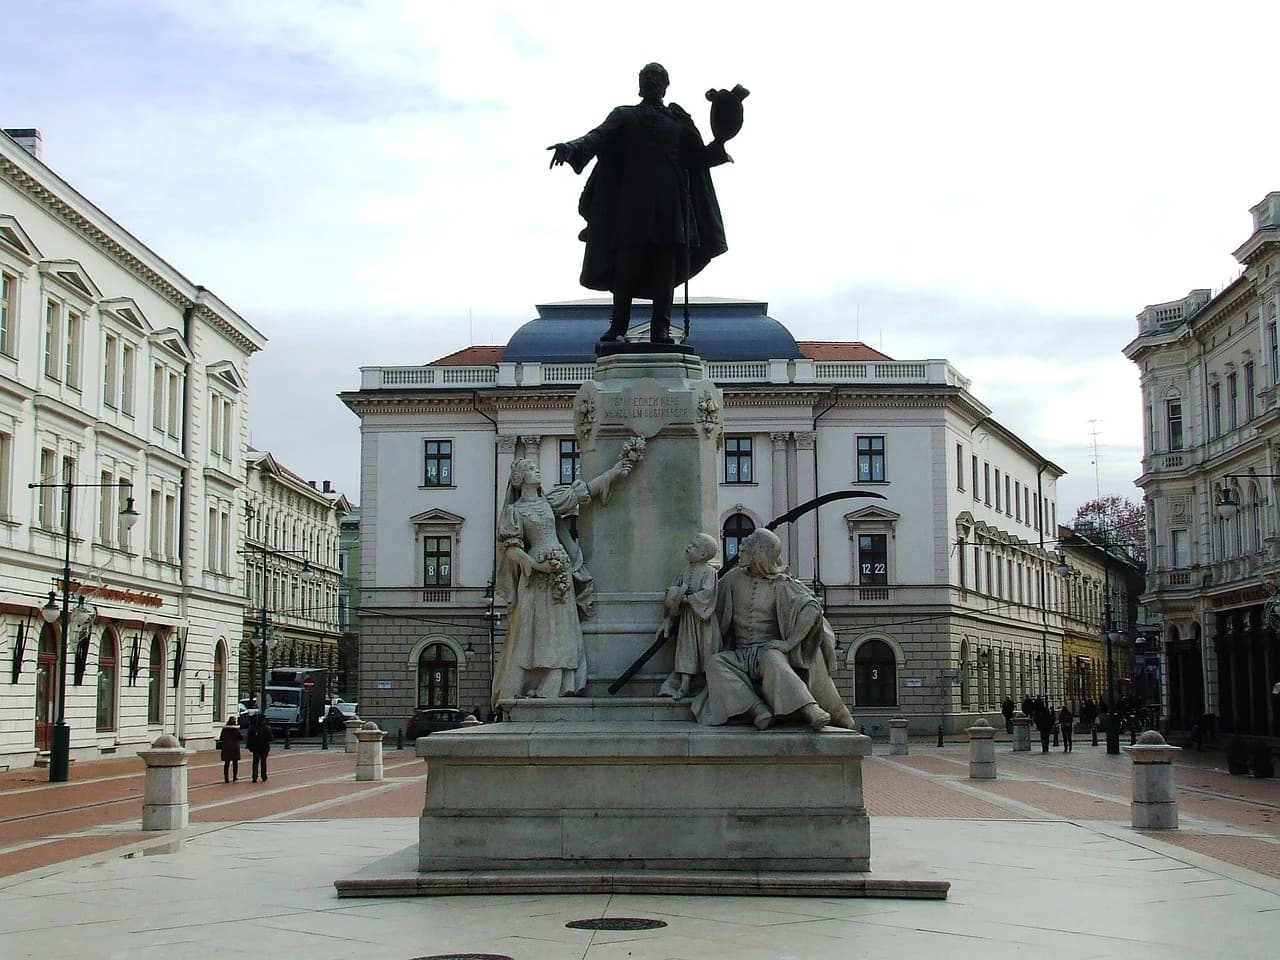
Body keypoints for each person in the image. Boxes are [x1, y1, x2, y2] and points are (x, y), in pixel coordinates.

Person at [548, 62, 732, 345]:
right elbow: (597, 137)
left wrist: (721, 138)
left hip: (671, 202)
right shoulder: (625, 115)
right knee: (626, 265)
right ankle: (618, 327)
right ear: (639, 84)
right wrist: (572, 148)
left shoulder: (677, 121)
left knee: (665, 267)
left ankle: (661, 328)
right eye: (646, 77)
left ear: (666, 85)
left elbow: (697, 159)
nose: (651, 81)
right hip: (631, 203)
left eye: (656, 77)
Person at [492, 444, 640, 704]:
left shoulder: (549, 501)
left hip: (559, 573)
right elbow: (511, 547)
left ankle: (557, 682)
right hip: (536, 576)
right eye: (532, 469)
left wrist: (615, 472)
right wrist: (534, 565)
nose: (537, 472)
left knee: (561, 629)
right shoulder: (514, 512)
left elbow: (583, 492)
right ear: (520, 479)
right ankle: (532, 681)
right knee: (534, 630)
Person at [693, 529, 853, 731]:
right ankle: (757, 708)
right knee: (715, 662)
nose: (740, 547)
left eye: (747, 544)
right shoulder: (732, 579)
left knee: (773, 660)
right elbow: (706, 603)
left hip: (767, 650)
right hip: (740, 655)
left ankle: (810, 709)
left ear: (759, 553)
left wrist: (789, 643)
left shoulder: (782, 583)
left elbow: (811, 609)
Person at [655, 533, 721, 699]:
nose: (688, 548)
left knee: (705, 651)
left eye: (693, 546)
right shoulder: (685, 571)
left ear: (703, 555)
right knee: (686, 650)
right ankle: (684, 686)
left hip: (703, 622)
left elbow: (707, 594)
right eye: (689, 544)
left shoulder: (709, 572)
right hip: (687, 620)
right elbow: (672, 592)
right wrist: (669, 615)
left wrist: (685, 598)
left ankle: (708, 685)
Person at [246, 714, 273, 783]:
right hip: (264, 748)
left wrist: (249, 746)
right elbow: (270, 738)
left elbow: (249, 738)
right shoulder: (267, 727)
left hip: (255, 748)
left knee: (255, 762)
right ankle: (263, 776)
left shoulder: (253, 727)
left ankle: (254, 776)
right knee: (263, 762)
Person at [217, 714, 242, 783]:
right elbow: (241, 737)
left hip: (226, 748)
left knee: (226, 763)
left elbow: (221, 738)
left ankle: (226, 778)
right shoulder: (236, 729)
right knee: (235, 763)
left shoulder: (225, 729)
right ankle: (234, 777)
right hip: (235, 748)